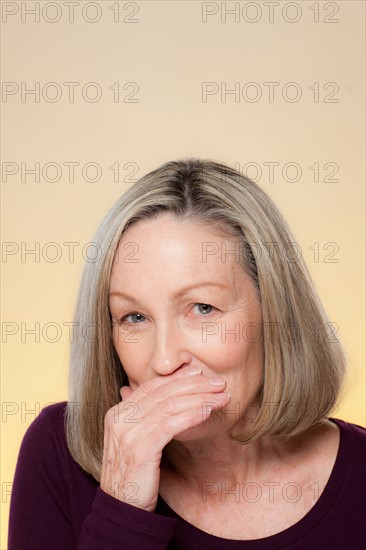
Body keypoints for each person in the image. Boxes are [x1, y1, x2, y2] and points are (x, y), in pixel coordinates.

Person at [8, 158, 366, 549]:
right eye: (134, 317)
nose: (163, 361)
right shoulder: (58, 453)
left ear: (275, 312)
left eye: (203, 309)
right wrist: (121, 506)